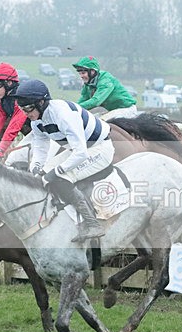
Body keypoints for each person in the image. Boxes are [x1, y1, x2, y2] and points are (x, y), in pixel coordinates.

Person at [11, 79, 114, 243]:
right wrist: (36, 166)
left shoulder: (63, 115)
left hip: (99, 149)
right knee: (41, 176)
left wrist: (54, 173)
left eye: (29, 108)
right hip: (79, 149)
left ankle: (92, 224)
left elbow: (80, 154)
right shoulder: (37, 119)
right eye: (23, 109)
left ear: (41, 102)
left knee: (61, 178)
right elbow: (40, 143)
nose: (26, 113)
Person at [72, 56, 138, 120]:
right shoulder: (88, 84)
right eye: (80, 73)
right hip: (114, 111)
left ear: (92, 71)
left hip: (127, 110)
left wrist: (74, 108)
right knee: (91, 120)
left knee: (100, 122)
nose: (81, 76)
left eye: (83, 73)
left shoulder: (105, 81)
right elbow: (83, 100)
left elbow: (96, 101)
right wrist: (71, 108)